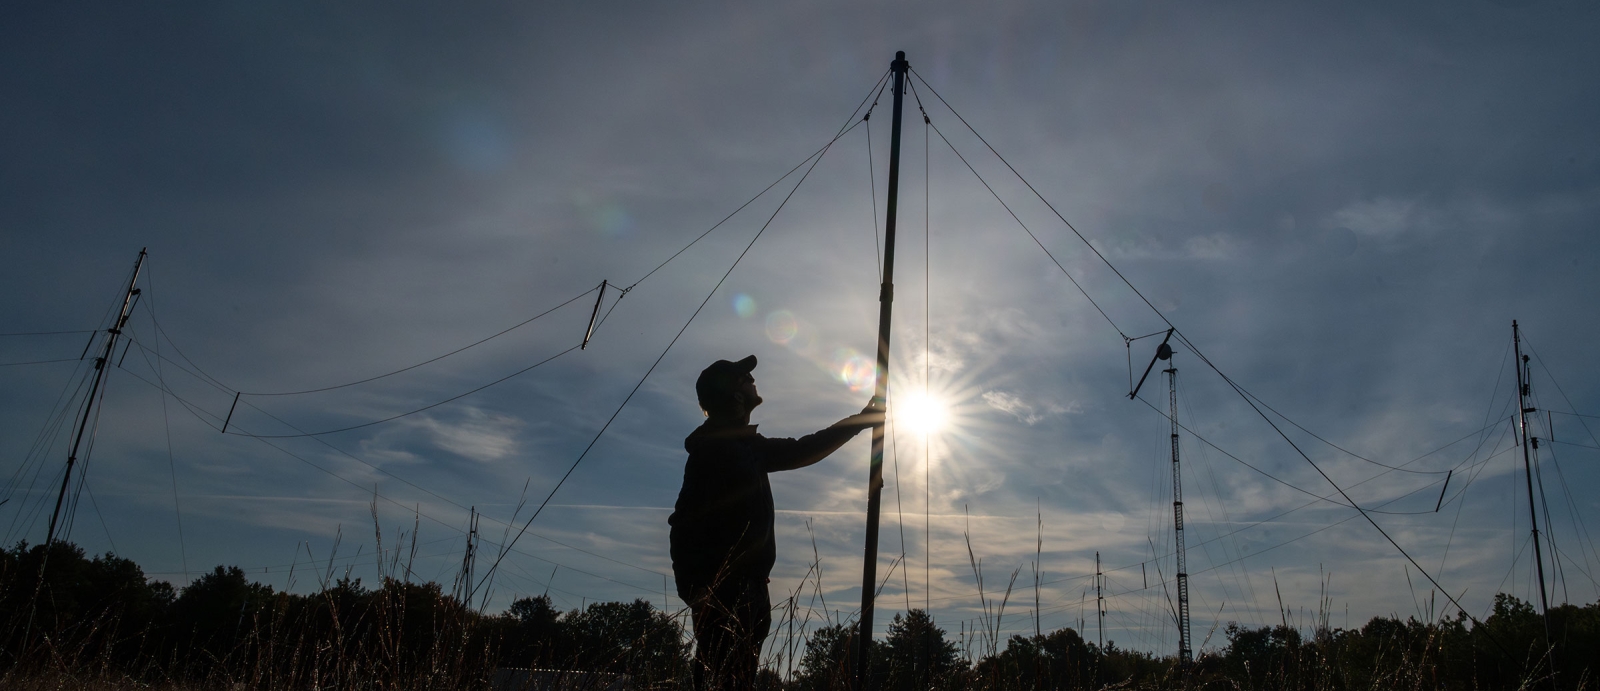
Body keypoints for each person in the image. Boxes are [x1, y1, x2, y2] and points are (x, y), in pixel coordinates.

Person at [669, 355, 882, 690]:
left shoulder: (742, 446)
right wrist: (695, 592)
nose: (753, 381)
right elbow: (682, 523)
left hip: (749, 589)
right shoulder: (717, 449)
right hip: (727, 591)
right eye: (745, 378)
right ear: (737, 396)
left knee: (732, 679)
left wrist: (860, 420)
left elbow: (803, 449)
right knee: (726, 679)